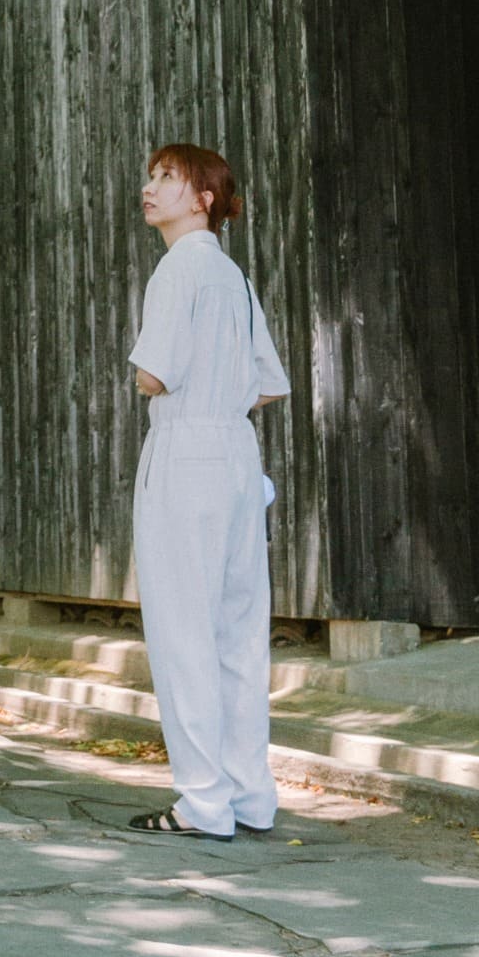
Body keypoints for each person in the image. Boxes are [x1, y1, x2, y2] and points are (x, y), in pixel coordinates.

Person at [126, 141, 288, 840]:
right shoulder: (234, 278)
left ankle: (201, 802)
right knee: (237, 633)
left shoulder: (177, 271)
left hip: (186, 447)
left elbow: (152, 375)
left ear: (205, 200)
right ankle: (251, 796)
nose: (150, 187)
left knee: (183, 627)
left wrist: (152, 380)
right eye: (152, 175)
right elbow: (271, 385)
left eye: (169, 178)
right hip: (235, 451)